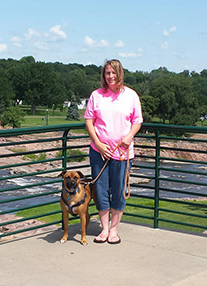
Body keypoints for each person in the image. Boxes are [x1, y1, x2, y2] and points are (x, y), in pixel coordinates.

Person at [84, 59, 143, 244]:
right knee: (100, 191)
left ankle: (114, 230)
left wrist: (128, 137)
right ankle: (104, 229)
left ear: (120, 73)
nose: (110, 76)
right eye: (107, 73)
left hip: (123, 153)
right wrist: (98, 143)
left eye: (113, 73)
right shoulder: (96, 95)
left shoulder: (131, 95)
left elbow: (137, 121)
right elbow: (89, 121)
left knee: (118, 191)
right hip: (99, 152)